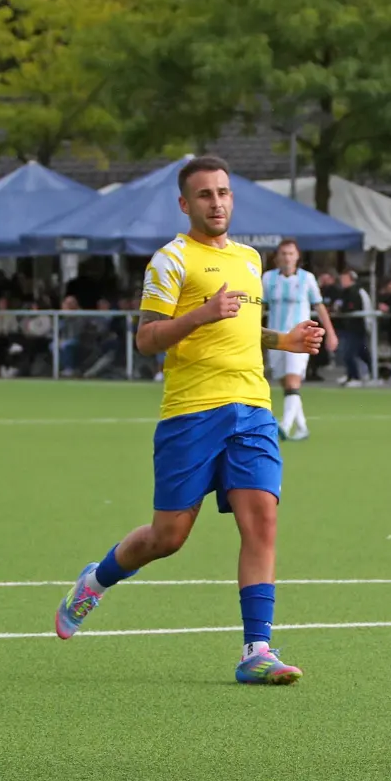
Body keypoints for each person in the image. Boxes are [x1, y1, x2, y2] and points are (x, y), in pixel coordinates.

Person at [53, 155, 325, 684]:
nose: (217, 202)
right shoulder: (171, 260)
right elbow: (147, 337)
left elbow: (244, 328)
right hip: (190, 413)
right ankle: (97, 579)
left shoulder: (250, 259)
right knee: (168, 537)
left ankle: (257, 650)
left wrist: (284, 340)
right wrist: (200, 313)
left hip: (252, 407)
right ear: (185, 204)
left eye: (223, 192)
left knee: (262, 519)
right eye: (205, 195)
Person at [262, 239, 338, 441]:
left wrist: (330, 332)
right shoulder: (268, 278)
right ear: (277, 257)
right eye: (283, 254)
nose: (287, 257)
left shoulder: (307, 279)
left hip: (301, 337)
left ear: (297, 257)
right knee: (285, 382)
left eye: (291, 254)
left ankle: (284, 426)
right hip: (275, 337)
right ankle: (302, 427)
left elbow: (320, 306)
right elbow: (260, 306)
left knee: (293, 379)